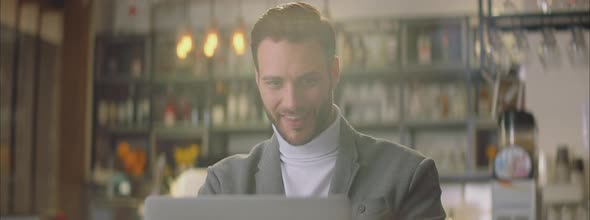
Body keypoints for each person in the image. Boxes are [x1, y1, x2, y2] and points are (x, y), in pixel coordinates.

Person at [198, 2, 446, 219]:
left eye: (308, 81)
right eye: (275, 83)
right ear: (258, 80)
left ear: (334, 73)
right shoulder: (224, 185)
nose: (292, 102)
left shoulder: (408, 176)